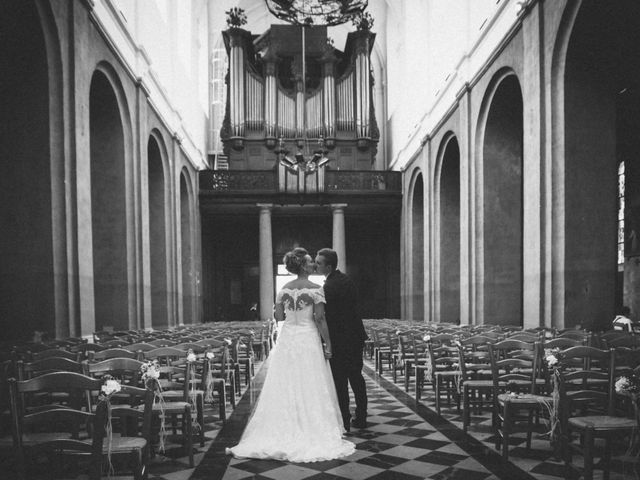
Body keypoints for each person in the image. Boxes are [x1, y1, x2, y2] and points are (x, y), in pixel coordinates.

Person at [226, 247, 354, 462]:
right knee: (311, 381)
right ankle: (310, 426)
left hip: (289, 338)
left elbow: (278, 315)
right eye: (310, 261)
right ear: (304, 265)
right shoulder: (315, 289)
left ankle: (282, 425)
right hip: (308, 337)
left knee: (286, 381)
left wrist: (290, 313)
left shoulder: (284, 289)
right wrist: (328, 343)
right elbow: (320, 319)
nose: (313, 263)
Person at [315, 248, 368, 431]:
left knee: (340, 380)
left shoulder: (328, 287)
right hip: (355, 336)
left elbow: (326, 317)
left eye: (319, 263)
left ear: (328, 266)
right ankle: (361, 417)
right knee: (356, 378)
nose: (316, 265)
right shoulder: (347, 280)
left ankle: (344, 420)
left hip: (340, 339)